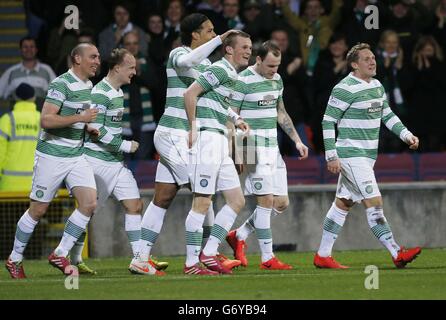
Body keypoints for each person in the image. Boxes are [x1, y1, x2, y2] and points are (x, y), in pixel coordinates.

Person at [129, 13, 239, 275]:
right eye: (210, 31)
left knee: (162, 198)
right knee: (205, 191)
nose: (214, 36)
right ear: (195, 35)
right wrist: (219, 42)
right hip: (173, 134)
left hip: (184, 137)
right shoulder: (178, 54)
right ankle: (204, 256)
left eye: (215, 32)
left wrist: (235, 118)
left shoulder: (203, 66)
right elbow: (190, 59)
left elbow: (212, 101)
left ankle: (140, 258)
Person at [314, 43, 421, 269]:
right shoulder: (344, 88)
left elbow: (387, 114)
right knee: (374, 203)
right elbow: (327, 121)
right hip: (350, 155)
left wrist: (407, 135)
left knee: (343, 204)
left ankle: (323, 255)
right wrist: (331, 156)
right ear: (354, 64)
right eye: (366, 59)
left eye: (373, 57)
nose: (372, 61)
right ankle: (396, 252)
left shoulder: (378, 86)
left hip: (367, 156)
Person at [4, 43, 100, 279]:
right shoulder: (60, 84)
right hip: (51, 156)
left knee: (89, 204)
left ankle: (60, 252)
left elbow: (77, 119)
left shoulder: (89, 86)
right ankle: (14, 259)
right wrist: (81, 117)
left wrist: (88, 127)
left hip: (76, 156)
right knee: (38, 210)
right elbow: (46, 120)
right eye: (93, 56)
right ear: (77, 58)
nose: (98, 61)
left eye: (98, 57)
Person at [225, 40, 309, 269]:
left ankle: (239, 235)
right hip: (250, 147)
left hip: (273, 148)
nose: (275, 71)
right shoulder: (242, 81)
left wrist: (297, 141)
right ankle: (267, 258)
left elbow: (280, 112)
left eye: (278, 65)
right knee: (266, 201)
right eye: (271, 66)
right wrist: (236, 151)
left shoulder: (277, 80)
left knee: (281, 203)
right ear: (258, 60)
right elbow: (230, 116)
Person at [183, 31, 251, 274]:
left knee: (237, 200)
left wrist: (236, 118)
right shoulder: (221, 69)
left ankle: (209, 253)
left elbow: (218, 103)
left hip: (220, 139)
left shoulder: (232, 75)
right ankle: (191, 263)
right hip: (207, 140)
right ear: (229, 50)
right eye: (243, 47)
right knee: (202, 201)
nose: (248, 51)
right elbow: (190, 93)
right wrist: (193, 128)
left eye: (250, 47)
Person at [0, 84, 40, 191]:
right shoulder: (42, 120)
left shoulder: (7, 119)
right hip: (36, 185)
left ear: (16, 98)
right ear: (34, 98)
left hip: (9, 184)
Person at [0, 36, 56, 109]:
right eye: (25, 47)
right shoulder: (11, 72)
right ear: (20, 50)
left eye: (31, 47)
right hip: (16, 118)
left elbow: (58, 93)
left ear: (36, 50)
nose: (28, 49)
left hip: (40, 118)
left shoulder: (47, 70)